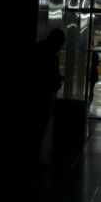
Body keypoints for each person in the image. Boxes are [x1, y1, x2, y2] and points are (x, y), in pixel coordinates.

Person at [25, 28, 65, 177]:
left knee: (30, 133)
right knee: (37, 133)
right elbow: (54, 81)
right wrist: (58, 82)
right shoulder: (51, 57)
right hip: (41, 100)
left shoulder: (34, 50)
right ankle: (31, 166)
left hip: (29, 98)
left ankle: (28, 164)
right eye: (60, 45)